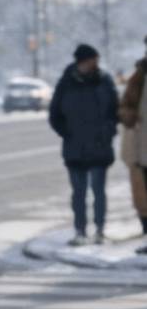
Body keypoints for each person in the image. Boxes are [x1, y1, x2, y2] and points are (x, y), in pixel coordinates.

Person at [49, 44, 119, 245]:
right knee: (78, 193)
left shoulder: (104, 81)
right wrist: (68, 134)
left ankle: (99, 230)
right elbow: (55, 115)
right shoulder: (66, 83)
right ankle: (80, 230)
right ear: (82, 62)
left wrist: (107, 132)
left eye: (96, 60)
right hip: (75, 148)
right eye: (91, 60)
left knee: (99, 191)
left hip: (100, 146)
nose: (95, 64)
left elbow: (114, 111)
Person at [119, 36, 147, 251]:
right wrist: (128, 115)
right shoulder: (140, 75)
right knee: (142, 193)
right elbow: (126, 105)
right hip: (141, 145)